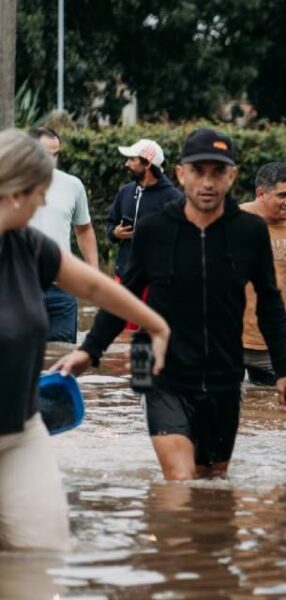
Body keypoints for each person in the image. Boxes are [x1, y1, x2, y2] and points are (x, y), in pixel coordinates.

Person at [53, 128, 286, 480]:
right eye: (198, 171)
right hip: (161, 374)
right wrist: (89, 351)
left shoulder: (249, 232)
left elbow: (270, 305)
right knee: (180, 480)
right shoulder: (154, 230)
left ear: (232, 176)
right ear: (181, 173)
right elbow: (123, 297)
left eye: (218, 171)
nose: (207, 182)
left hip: (223, 378)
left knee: (212, 482)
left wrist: (285, 370)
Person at [0, 129, 169, 550]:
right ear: (17, 193)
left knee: (44, 550)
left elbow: (94, 287)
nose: (44, 203)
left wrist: (157, 325)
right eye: (41, 193)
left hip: (22, 432)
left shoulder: (28, 245)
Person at [27, 127, 99, 343]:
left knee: (62, 355)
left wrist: (93, 272)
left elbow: (84, 229)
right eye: (45, 154)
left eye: (55, 154)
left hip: (62, 290)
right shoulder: (8, 184)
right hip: (20, 288)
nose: (51, 161)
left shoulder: (72, 185)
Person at [240, 162, 286, 385]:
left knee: (274, 404)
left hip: (274, 344)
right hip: (229, 338)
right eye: (283, 195)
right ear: (261, 193)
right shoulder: (232, 221)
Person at [107, 138, 182, 278]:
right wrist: (115, 233)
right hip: (123, 276)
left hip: (156, 280)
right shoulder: (125, 192)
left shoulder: (174, 198)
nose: (126, 164)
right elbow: (111, 224)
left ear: (147, 163)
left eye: (132, 159)